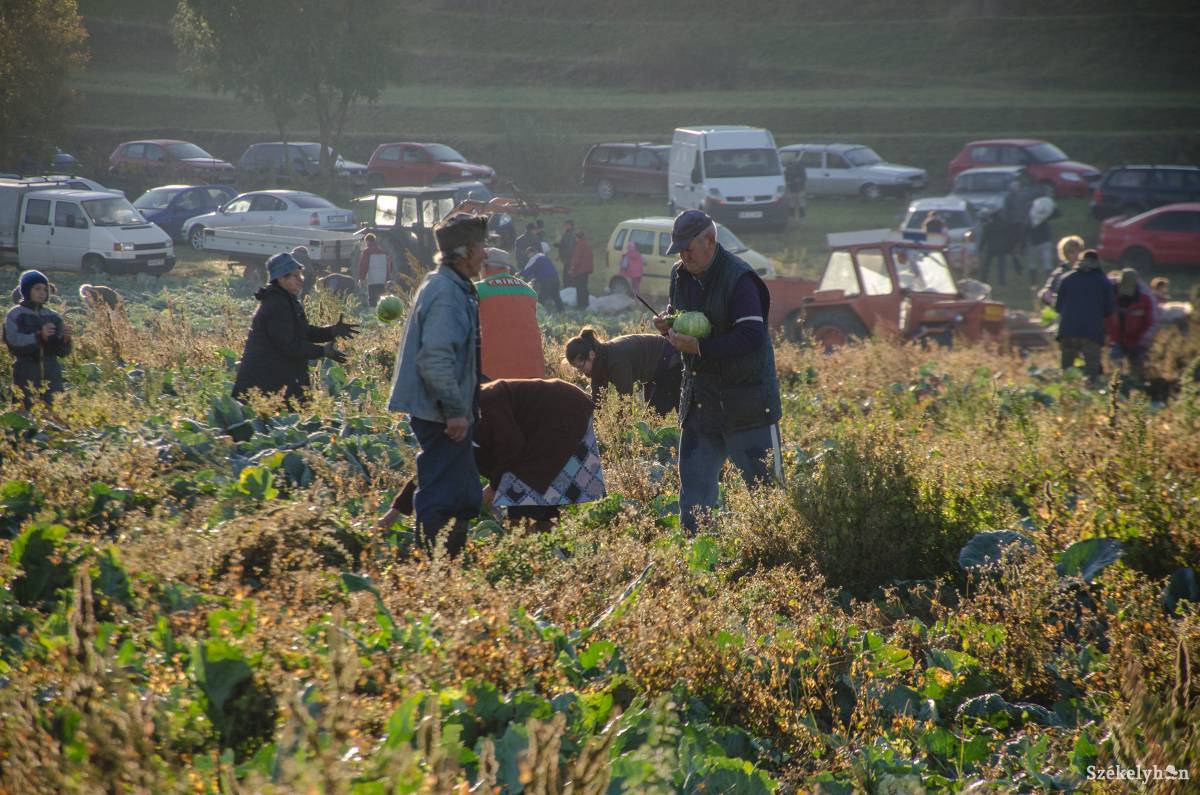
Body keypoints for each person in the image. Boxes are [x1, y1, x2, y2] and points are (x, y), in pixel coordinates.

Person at [652, 210, 783, 533]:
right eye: (679, 249)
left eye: (689, 248)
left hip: (746, 402)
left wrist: (700, 348)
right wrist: (667, 324)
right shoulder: (680, 274)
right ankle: (698, 558)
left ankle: (777, 554)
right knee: (694, 494)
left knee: (767, 494)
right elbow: (679, 312)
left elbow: (752, 336)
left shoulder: (740, 279)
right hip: (700, 399)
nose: (683, 255)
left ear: (709, 240)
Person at [387, 214, 488, 557]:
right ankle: (434, 564)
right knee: (442, 493)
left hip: (445, 410)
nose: (485, 256)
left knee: (462, 492)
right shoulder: (445, 294)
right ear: (463, 253)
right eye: (480, 248)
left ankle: (449, 561)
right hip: (441, 414)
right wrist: (456, 412)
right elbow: (435, 359)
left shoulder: (451, 286)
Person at [380, 378, 605, 532]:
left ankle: (538, 549)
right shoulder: (446, 425)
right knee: (524, 493)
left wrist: (492, 488)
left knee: (525, 489)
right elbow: (431, 468)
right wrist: (392, 515)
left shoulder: (484, 405)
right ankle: (546, 546)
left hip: (561, 410)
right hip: (535, 428)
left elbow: (512, 448)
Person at [232, 252, 359, 406]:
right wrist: (322, 351)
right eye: (296, 276)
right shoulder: (276, 305)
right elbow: (289, 345)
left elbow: (304, 332)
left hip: (276, 381)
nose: (301, 280)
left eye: (301, 275)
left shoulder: (286, 300)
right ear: (281, 278)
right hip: (264, 385)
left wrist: (331, 331)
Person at [564, 327, 682, 417]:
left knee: (651, 422)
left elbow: (625, 401)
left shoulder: (616, 362)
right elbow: (598, 402)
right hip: (655, 370)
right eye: (577, 368)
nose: (580, 372)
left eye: (581, 366)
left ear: (591, 354)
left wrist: (619, 433)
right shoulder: (598, 363)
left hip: (671, 364)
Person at [5, 270, 72, 409]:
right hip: (26, 372)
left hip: (51, 373)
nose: (42, 293)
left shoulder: (53, 316)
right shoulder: (15, 314)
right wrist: (39, 336)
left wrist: (65, 339)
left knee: (55, 415)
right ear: (26, 290)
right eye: (37, 289)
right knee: (25, 414)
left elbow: (62, 352)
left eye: (45, 289)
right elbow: (13, 342)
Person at [476, 247, 545, 379]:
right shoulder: (529, 291)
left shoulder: (476, 290)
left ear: (484, 268)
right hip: (533, 372)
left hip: (493, 374)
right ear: (507, 269)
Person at [1054, 249, 1114, 384]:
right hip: (1092, 333)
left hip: (1068, 330)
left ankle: (1065, 397)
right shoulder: (1104, 282)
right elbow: (1109, 310)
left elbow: (1058, 307)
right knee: (1091, 375)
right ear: (1097, 263)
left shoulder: (1067, 279)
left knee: (1066, 372)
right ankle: (1089, 397)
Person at [1106, 268, 1158, 379]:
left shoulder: (1145, 299)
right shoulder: (1111, 295)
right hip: (1117, 340)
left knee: (1137, 371)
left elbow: (1151, 322)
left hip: (1138, 341)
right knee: (1114, 365)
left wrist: (1144, 340)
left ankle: (1136, 386)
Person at [1038, 235, 1085, 308]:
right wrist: (1047, 296)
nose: (1076, 255)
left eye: (1078, 251)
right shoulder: (1059, 273)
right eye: (1072, 252)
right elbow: (1048, 292)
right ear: (1066, 254)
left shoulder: (1087, 271)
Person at [520, 246, 565, 311]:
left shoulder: (535, 258)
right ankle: (562, 312)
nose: (528, 257)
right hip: (555, 278)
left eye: (528, 255)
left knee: (541, 298)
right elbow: (542, 269)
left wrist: (520, 274)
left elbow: (528, 270)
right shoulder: (544, 256)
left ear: (531, 253)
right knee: (556, 297)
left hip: (547, 280)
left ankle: (539, 314)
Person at [356, 232, 392, 306]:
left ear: (367, 241)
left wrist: (361, 278)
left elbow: (364, 265)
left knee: (372, 299)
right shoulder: (383, 252)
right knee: (382, 299)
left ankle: (373, 314)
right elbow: (388, 266)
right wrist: (388, 278)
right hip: (382, 280)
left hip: (372, 280)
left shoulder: (367, 252)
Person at [568, 230, 593, 310]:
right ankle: (586, 304)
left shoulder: (579, 246)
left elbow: (576, 260)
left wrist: (572, 269)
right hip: (587, 270)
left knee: (580, 289)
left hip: (580, 271)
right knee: (585, 288)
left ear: (578, 238)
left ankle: (581, 305)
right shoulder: (587, 245)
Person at [557, 219, 577, 283]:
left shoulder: (573, 235)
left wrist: (564, 254)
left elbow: (571, 247)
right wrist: (560, 255)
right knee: (566, 273)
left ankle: (570, 286)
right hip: (566, 258)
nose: (566, 226)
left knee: (570, 274)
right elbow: (562, 245)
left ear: (571, 226)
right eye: (565, 225)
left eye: (567, 225)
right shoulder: (565, 234)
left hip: (571, 258)